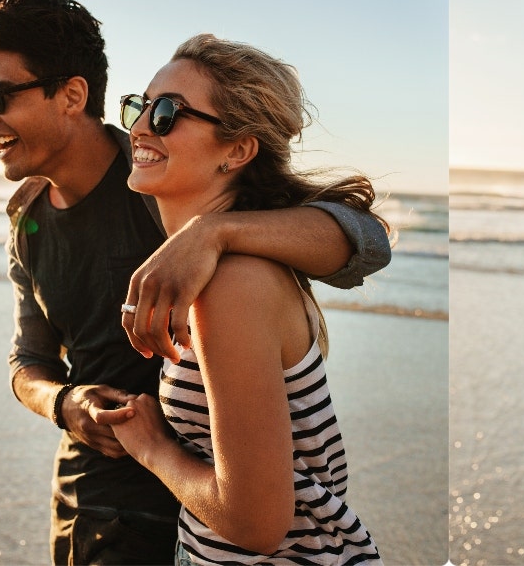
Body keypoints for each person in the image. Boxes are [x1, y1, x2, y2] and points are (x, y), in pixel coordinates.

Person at [0, 0, 390, 565]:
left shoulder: (166, 186)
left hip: (183, 516)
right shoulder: (28, 220)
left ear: (71, 95)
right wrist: (66, 403)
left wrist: (213, 234)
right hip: (91, 503)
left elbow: (366, 242)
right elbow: (27, 359)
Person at [97, 33, 383, 565]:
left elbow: (257, 524)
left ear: (238, 150)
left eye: (166, 113)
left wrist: (152, 446)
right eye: (138, 105)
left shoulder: (231, 285)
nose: (138, 126)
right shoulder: (223, 267)